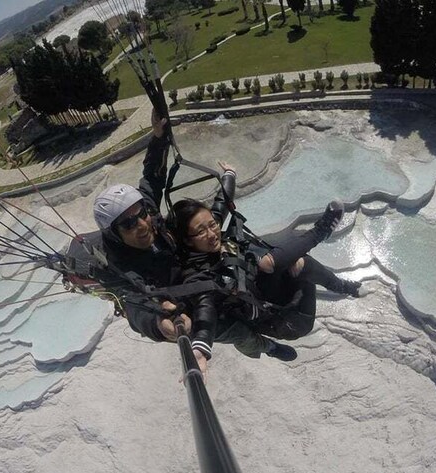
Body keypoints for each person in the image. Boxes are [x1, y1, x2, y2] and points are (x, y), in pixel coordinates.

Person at [92, 113, 296, 365]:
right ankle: (268, 346)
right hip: (184, 298)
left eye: (141, 214)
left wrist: (158, 137)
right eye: (128, 223)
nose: (142, 224)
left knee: (222, 234)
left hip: (193, 260)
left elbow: (152, 178)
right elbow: (133, 305)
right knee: (237, 331)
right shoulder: (120, 265)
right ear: (114, 232)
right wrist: (158, 323)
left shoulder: (149, 214)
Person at [170, 165, 360, 372]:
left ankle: (342, 286)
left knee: (298, 262)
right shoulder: (198, 275)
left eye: (212, 225)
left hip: (275, 292)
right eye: (201, 231)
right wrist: (200, 349)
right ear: (188, 241)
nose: (212, 233)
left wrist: (229, 175)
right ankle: (320, 233)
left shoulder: (211, 237)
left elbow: (221, 202)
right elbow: (205, 310)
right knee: (269, 263)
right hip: (287, 320)